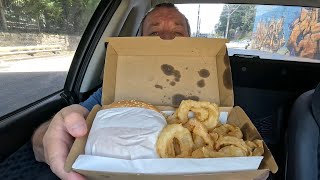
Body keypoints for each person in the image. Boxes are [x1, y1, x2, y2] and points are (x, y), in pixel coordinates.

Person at [31, 3, 191, 180]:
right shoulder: (116, 87)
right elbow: (47, 137)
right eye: (154, 33)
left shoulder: (215, 90)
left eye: (177, 32)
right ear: (140, 42)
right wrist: (48, 136)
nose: (166, 39)